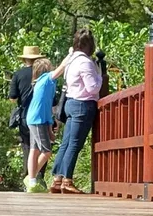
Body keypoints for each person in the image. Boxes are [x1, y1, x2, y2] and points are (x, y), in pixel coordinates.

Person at [49, 29, 103, 194]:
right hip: (82, 105)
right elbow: (92, 88)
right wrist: (100, 75)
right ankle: (67, 179)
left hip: (70, 103)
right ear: (90, 45)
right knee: (74, 144)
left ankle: (57, 179)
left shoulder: (71, 60)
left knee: (66, 143)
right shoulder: (85, 62)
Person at [8, 47, 44, 178]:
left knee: (27, 147)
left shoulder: (18, 74)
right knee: (42, 146)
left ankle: (27, 177)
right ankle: (39, 176)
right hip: (41, 115)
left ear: (24, 59)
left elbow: (13, 97)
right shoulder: (43, 75)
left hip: (25, 116)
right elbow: (53, 100)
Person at [23, 56, 57, 192]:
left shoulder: (45, 84)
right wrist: (71, 55)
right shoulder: (45, 80)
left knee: (34, 150)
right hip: (37, 120)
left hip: (39, 119)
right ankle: (31, 178)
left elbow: (47, 107)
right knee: (47, 151)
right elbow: (59, 70)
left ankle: (31, 178)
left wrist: (50, 129)